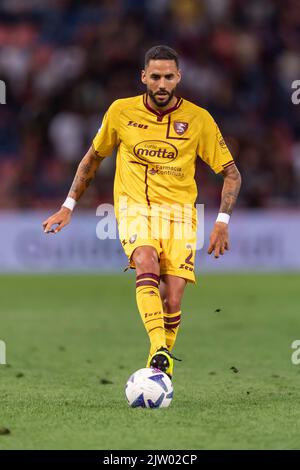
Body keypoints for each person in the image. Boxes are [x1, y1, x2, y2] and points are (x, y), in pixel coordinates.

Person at [43, 45, 241, 379]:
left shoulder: (198, 119)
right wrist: (68, 205)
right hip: (135, 208)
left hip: (180, 216)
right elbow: (93, 158)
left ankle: (158, 363)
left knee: (173, 299)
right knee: (145, 262)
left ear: (178, 77)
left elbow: (232, 174)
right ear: (143, 77)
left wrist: (222, 222)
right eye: (155, 76)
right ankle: (160, 353)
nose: (161, 84)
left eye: (168, 77)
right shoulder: (121, 112)